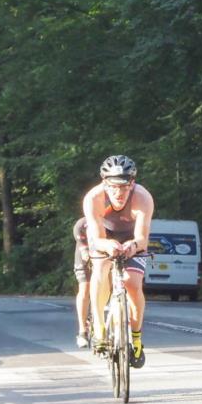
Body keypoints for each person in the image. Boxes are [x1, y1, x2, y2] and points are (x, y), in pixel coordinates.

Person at [82, 155, 154, 367]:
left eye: (124, 187)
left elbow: (142, 238)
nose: (119, 193)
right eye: (113, 187)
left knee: (132, 282)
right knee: (100, 270)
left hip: (132, 239)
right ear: (105, 182)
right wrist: (107, 245)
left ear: (132, 183)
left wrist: (132, 246)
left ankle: (137, 338)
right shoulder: (93, 198)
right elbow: (96, 237)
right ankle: (100, 328)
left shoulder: (143, 197)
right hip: (104, 238)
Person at [72, 217, 91, 349]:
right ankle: (82, 330)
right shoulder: (82, 224)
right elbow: (81, 243)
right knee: (85, 288)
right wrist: (85, 252)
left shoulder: (113, 220)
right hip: (85, 254)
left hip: (105, 254)